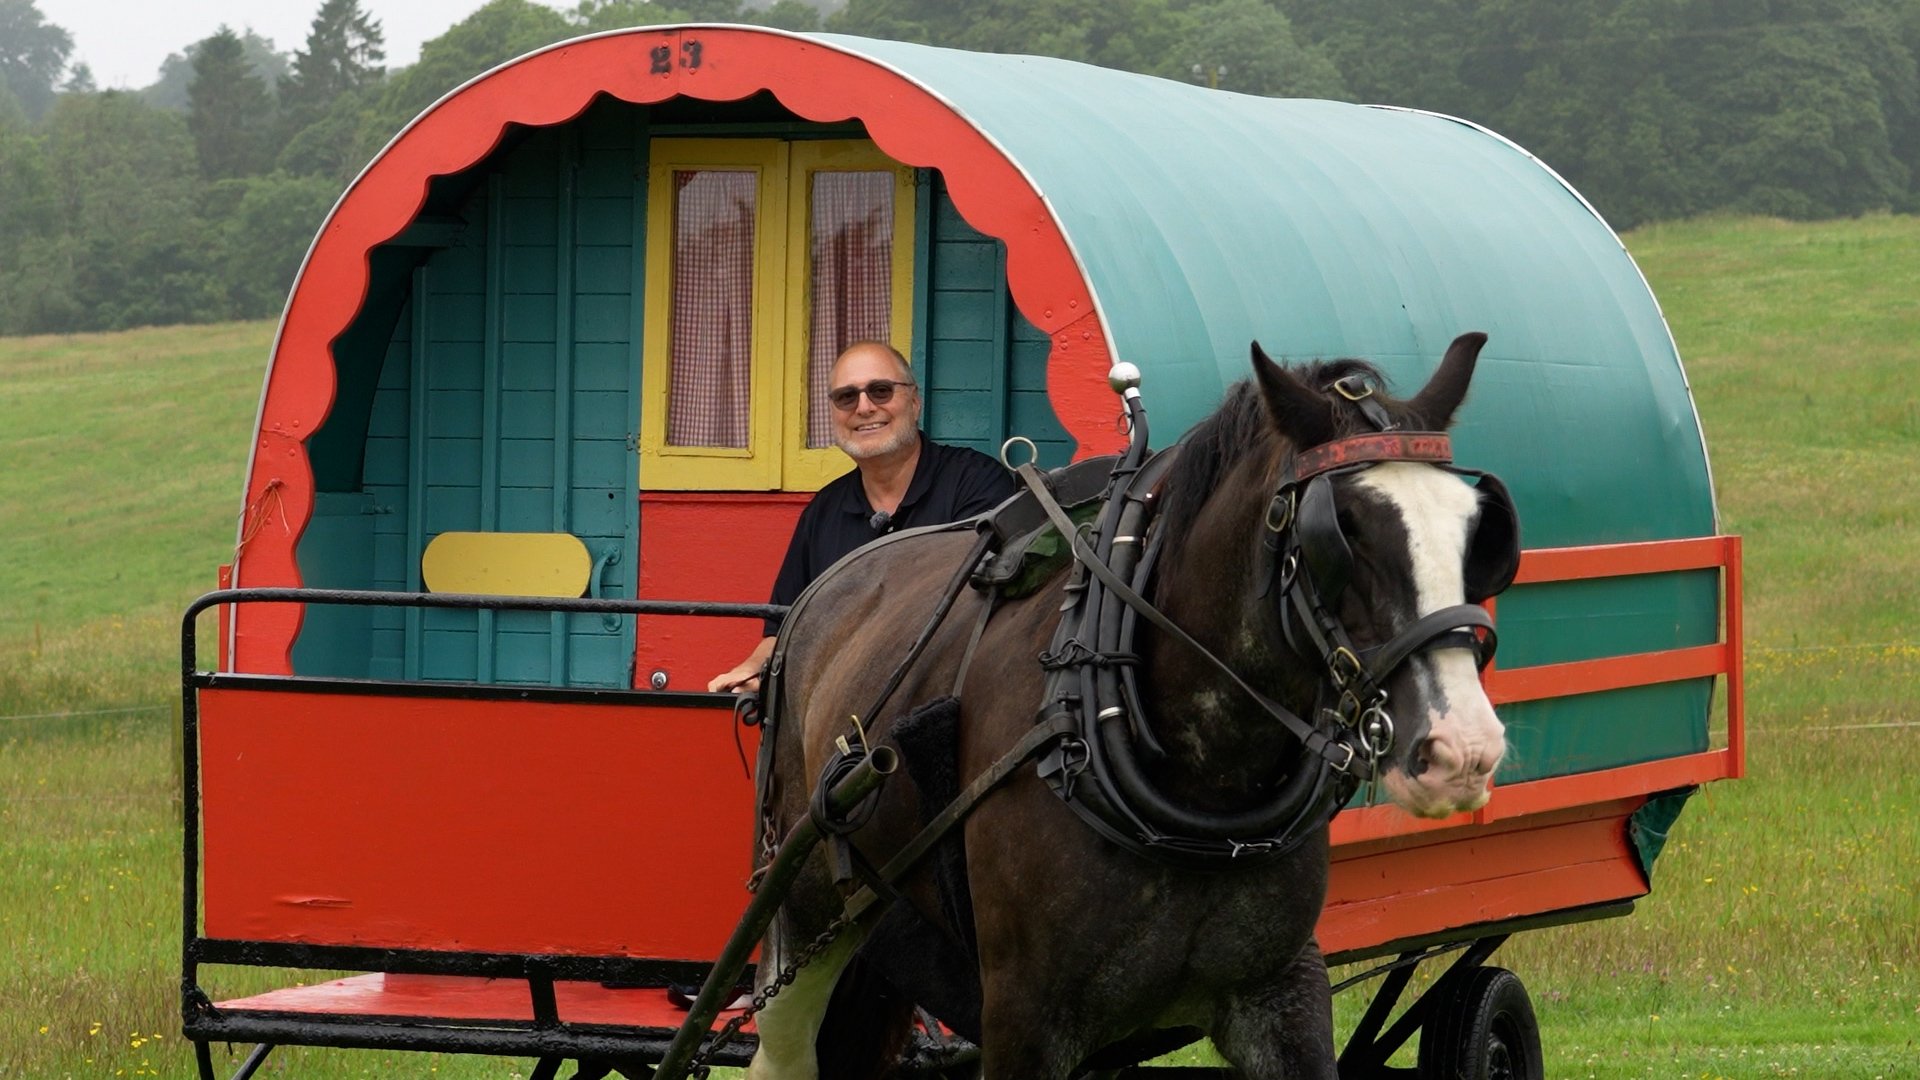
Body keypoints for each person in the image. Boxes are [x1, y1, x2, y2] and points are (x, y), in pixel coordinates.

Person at [707, 341, 1017, 693]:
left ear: (914, 402)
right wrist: (750, 672)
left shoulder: (976, 484)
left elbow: (975, 619)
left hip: (952, 704)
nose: (865, 407)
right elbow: (782, 631)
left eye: (881, 391)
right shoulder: (823, 511)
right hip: (844, 715)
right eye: (846, 397)